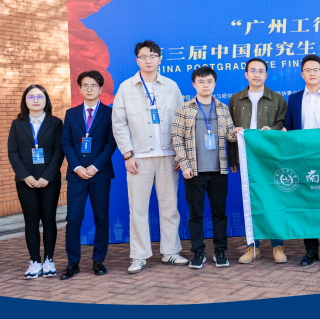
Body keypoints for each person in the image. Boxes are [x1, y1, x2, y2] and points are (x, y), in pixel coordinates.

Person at [112, 40, 187, 274]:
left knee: (170, 207)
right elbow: (119, 123)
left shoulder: (171, 86)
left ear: (160, 59)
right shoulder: (126, 87)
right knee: (138, 209)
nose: (148, 60)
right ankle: (139, 255)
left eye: (153, 56)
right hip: (139, 157)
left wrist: (180, 154)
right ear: (137, 60)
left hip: (168, 156)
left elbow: (181, 121)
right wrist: (127, 154)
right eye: (143, 56)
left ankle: (171, 251)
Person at [172, 67, 242, 270]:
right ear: (194, 84)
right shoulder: (184, 108)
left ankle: (220, 250)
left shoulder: (222, 108)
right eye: (201, 82)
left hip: (219, 170)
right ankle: (198, 251)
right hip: (194, 171)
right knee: (196, 214)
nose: (205, 85)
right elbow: (176, 139)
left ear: (215, 84)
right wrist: (184, 165)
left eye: (209, 81)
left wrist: (236, 132)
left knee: (219, 213)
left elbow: (229, 134)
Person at [282, 55, 320, 267]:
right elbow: (289, 126)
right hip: (302, 158)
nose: (312, 73)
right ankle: (310, 251)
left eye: (316, 69)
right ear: (302, 74)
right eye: (307, 70)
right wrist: (284, 130)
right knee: (306, 204)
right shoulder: (294, 99)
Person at [228, 57, 288, 264]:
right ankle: (252, 247)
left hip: (269, 158)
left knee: (274, 200)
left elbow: (282, 125)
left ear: (266, 74)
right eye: (252, 70)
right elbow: (231, 129)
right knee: (250, 201)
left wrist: (272, 129)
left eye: (261, 71)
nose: (256, 74)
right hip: (246, 158)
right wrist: (233, 158)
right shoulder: (235, 100)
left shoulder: (278, 99)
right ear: (246, 74)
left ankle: (278, 245)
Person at [60, 71, 117, 280]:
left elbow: (111, 143)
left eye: (94, 86)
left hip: (99, 174)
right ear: (80, 89)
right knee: (73, 219)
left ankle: (98, 260)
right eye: (85, 85)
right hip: (77, 175)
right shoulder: (71, 113)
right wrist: (76, 167)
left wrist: (94, 167)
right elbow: (66, 142)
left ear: (100, 89)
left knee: (101, 217)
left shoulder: (109, 113)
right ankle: (72, 263)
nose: (89, 89)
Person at [7, 85, 64, 279]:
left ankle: (48, 260)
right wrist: (26, 176)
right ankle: (35, 261)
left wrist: (47, 176)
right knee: (31, 221)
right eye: (31, 97)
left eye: (40, 96)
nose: (36, 100)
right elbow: (13, 152)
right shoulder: (17, 124)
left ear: (46, 99)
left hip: (50, 180)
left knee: (49, 219)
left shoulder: (56, 123)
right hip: (26, 181)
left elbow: (59, 152)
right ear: (25, 101)